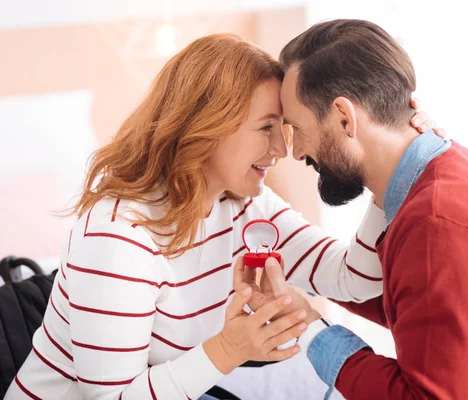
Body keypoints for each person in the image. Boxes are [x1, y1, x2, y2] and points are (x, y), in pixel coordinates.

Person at [5, 33, 440, 400]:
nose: (282, 150)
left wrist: (386, 175)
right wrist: (228, 349)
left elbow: (353, 280)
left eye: (283, 129)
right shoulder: (120, 237)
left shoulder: (242, 205)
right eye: (266, 127)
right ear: (208, 126)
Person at [241, 19, 468, 399]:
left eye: (298, 129)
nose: (295, 152)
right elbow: (416, 301)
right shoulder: (447, 175)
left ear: (345, 117)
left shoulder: (439, 224)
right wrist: (297, 290)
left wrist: (311, 329)